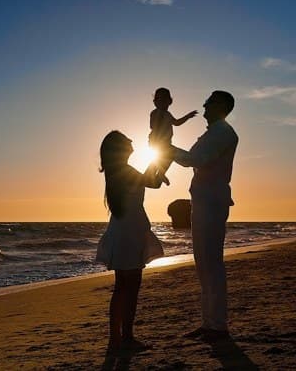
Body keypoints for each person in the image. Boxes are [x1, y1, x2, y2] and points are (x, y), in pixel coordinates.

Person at [169, 90, 238, 342]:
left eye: (209, 102)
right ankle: (210, 323)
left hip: (211, 202)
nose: (204, 106)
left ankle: (217, 326)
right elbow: (193, 159)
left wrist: (167, 149)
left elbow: (194, 159)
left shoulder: (222, 133)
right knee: (204, 263)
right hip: (204, 201)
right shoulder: (215, 133)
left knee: (211, 263)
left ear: (221, 106)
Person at [95, 131, 165, 354]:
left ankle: (118, 339)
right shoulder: (124, 171)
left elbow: (150, 181)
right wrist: (162, 159)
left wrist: (158, 166)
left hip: (123, 230)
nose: (131, 142)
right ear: (120, 148)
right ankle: (124, 338)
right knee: (130, 287)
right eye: (127, 141)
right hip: (129, 232)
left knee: (122, 287)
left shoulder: (118, 171)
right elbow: (151, 182)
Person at [149, 87, 198, 185]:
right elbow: (152, 126)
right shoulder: (155, 112)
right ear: (156, 102)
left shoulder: (168, 114)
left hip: (166, 142)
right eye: (161, 101)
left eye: (166, 101)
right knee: (166, 156)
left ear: (169, 102)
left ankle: (160, 173)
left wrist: (187, 116)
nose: (164, 104)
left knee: (168, 157)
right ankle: (158, 174)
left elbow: (176, 123)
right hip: (157, 141)